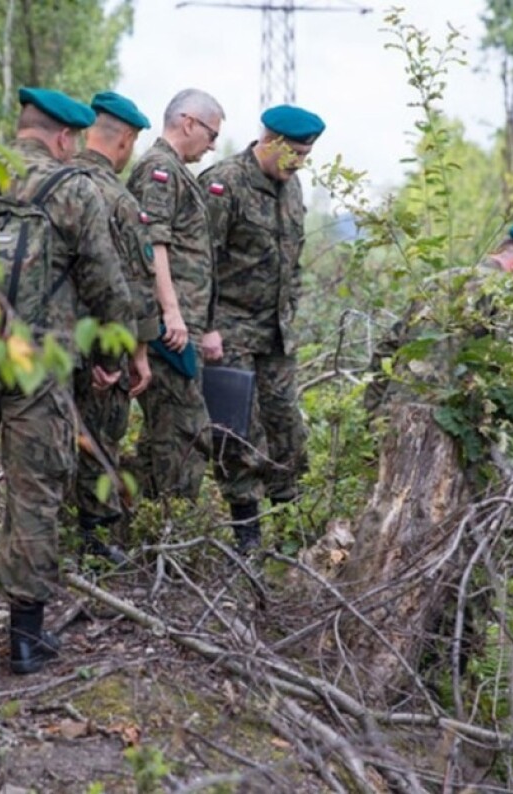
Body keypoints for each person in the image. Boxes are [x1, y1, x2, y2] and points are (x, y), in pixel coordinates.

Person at [0, 87, 136, 676]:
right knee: (34, 488)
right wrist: (108, 356)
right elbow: (105, 283)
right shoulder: (75, 188)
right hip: (40, 362)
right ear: (65, 137)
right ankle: (25, 637)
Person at [198, 104, 324, 554]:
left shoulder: (293, 189)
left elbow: (294, 260)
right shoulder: (224, 182)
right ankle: (246, 538)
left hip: (276, 333)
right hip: (228, 329)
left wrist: (291, 308)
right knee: (237, 435)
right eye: (293, 155)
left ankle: (292, 537)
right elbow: (199, 261)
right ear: (269, 141)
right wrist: (206, 326)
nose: (299, 164)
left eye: (305, 157)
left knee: (287, 427)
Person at [364, 225, 513, 458]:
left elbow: (387, 349)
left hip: (395, 422)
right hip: (448, 434)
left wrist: (374, 419)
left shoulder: (439, 281)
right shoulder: (508, 297)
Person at [69, 91, 161, 563]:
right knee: (101, 432)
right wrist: (135, 353)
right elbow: (133, 285)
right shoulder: (116, 197)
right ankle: (92, 535)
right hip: (100, 340)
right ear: (124, 140)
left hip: (47, 340)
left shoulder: (56, 181)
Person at [127, 89, 225, 504]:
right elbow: (154, 243)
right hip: (169, 330)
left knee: (166, 432)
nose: (214, 144)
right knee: (186, 430)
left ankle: (139, 523)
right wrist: (172, 313)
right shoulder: (158, 169)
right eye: (211, 133)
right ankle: (165, 525)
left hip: (181, 327)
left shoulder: (176, 171)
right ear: (188, 123)